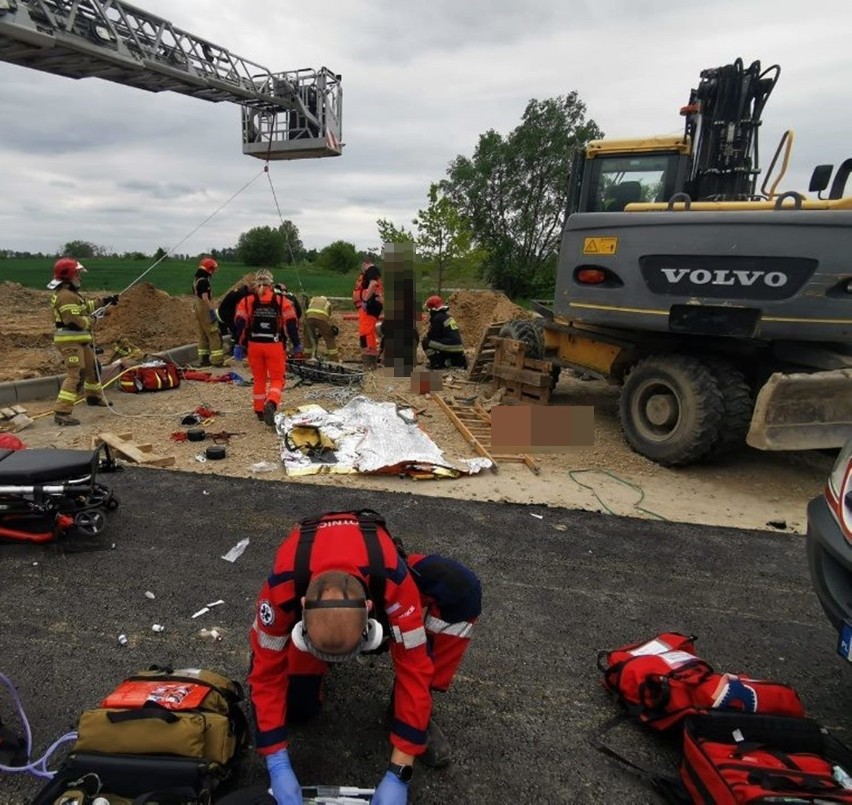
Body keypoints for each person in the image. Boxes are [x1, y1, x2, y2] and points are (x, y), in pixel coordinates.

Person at [248, 509, 481, 805]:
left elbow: (415, 668)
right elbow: (265, 671)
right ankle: (312, 671)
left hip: (379, 570)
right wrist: (276, 762)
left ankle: (410, 712)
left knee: (461, 588)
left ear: (371, 610)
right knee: (297, 708)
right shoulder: (281, 587)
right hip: (315, 578)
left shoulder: (395, 584)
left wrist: (400, 771)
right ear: (302, 606)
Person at [48, 258, 118, 426]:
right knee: (75, 375)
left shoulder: (71, 294)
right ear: (69, 275)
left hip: (78, 340)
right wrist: (93, 320)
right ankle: (62, 412)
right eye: (77, 273)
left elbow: (85, 306)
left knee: (92, 367)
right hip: (70, 342)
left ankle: (93, 397)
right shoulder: (65, 296)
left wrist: (105, 301)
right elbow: (73, 320)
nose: (80, 276)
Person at [234, 269, 301, 426]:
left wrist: (238, 343)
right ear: (271, 283)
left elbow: (240, 324)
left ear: (256, 283)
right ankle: (271, 403)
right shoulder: (281, 300)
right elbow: (291, 323)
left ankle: (259, 410)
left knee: (259, 379)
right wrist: (296, 343)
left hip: (254, 345)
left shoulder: (247, 300)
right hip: (274, 345)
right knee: (277, 379)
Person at [193, 256, 224, 367]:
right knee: (214, 334)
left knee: (202, 335)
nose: (215, 271)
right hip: (205, 310)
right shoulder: (204, 282)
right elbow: (205, 298)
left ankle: (203, 360)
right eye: (214, 269)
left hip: (198, 309)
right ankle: (217, 361)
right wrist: (212, 311)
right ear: (209, 269)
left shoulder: (197, 280)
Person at [420, 296, 468, 370]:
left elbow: (433, 336)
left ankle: (436, 363)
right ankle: (450, 361)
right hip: (458, 347)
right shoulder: (446, 316)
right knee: (438, 343)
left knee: (426, 342)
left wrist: (428, 333)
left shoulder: (437, 318)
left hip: (450, 346)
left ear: (433, 309)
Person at [353, 257, 383, 369]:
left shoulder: (371, 270)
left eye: (362, 267)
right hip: (370, 304)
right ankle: (370, 363)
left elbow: (373, 283)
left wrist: (365, 300)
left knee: (366, 332)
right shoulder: (373, 271)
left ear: (365, 264)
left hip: (369, 305)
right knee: (366, 332)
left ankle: (369, 363)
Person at [303, 295, 340, 362]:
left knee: (308, 337)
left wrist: (317, 334)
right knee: (329, 338)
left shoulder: (313, 299)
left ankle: (307, 357)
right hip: (322, 318)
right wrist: (323, 332)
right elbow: (327, 320)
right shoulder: (328, 303)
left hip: (309, 317)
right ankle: (334, 359)